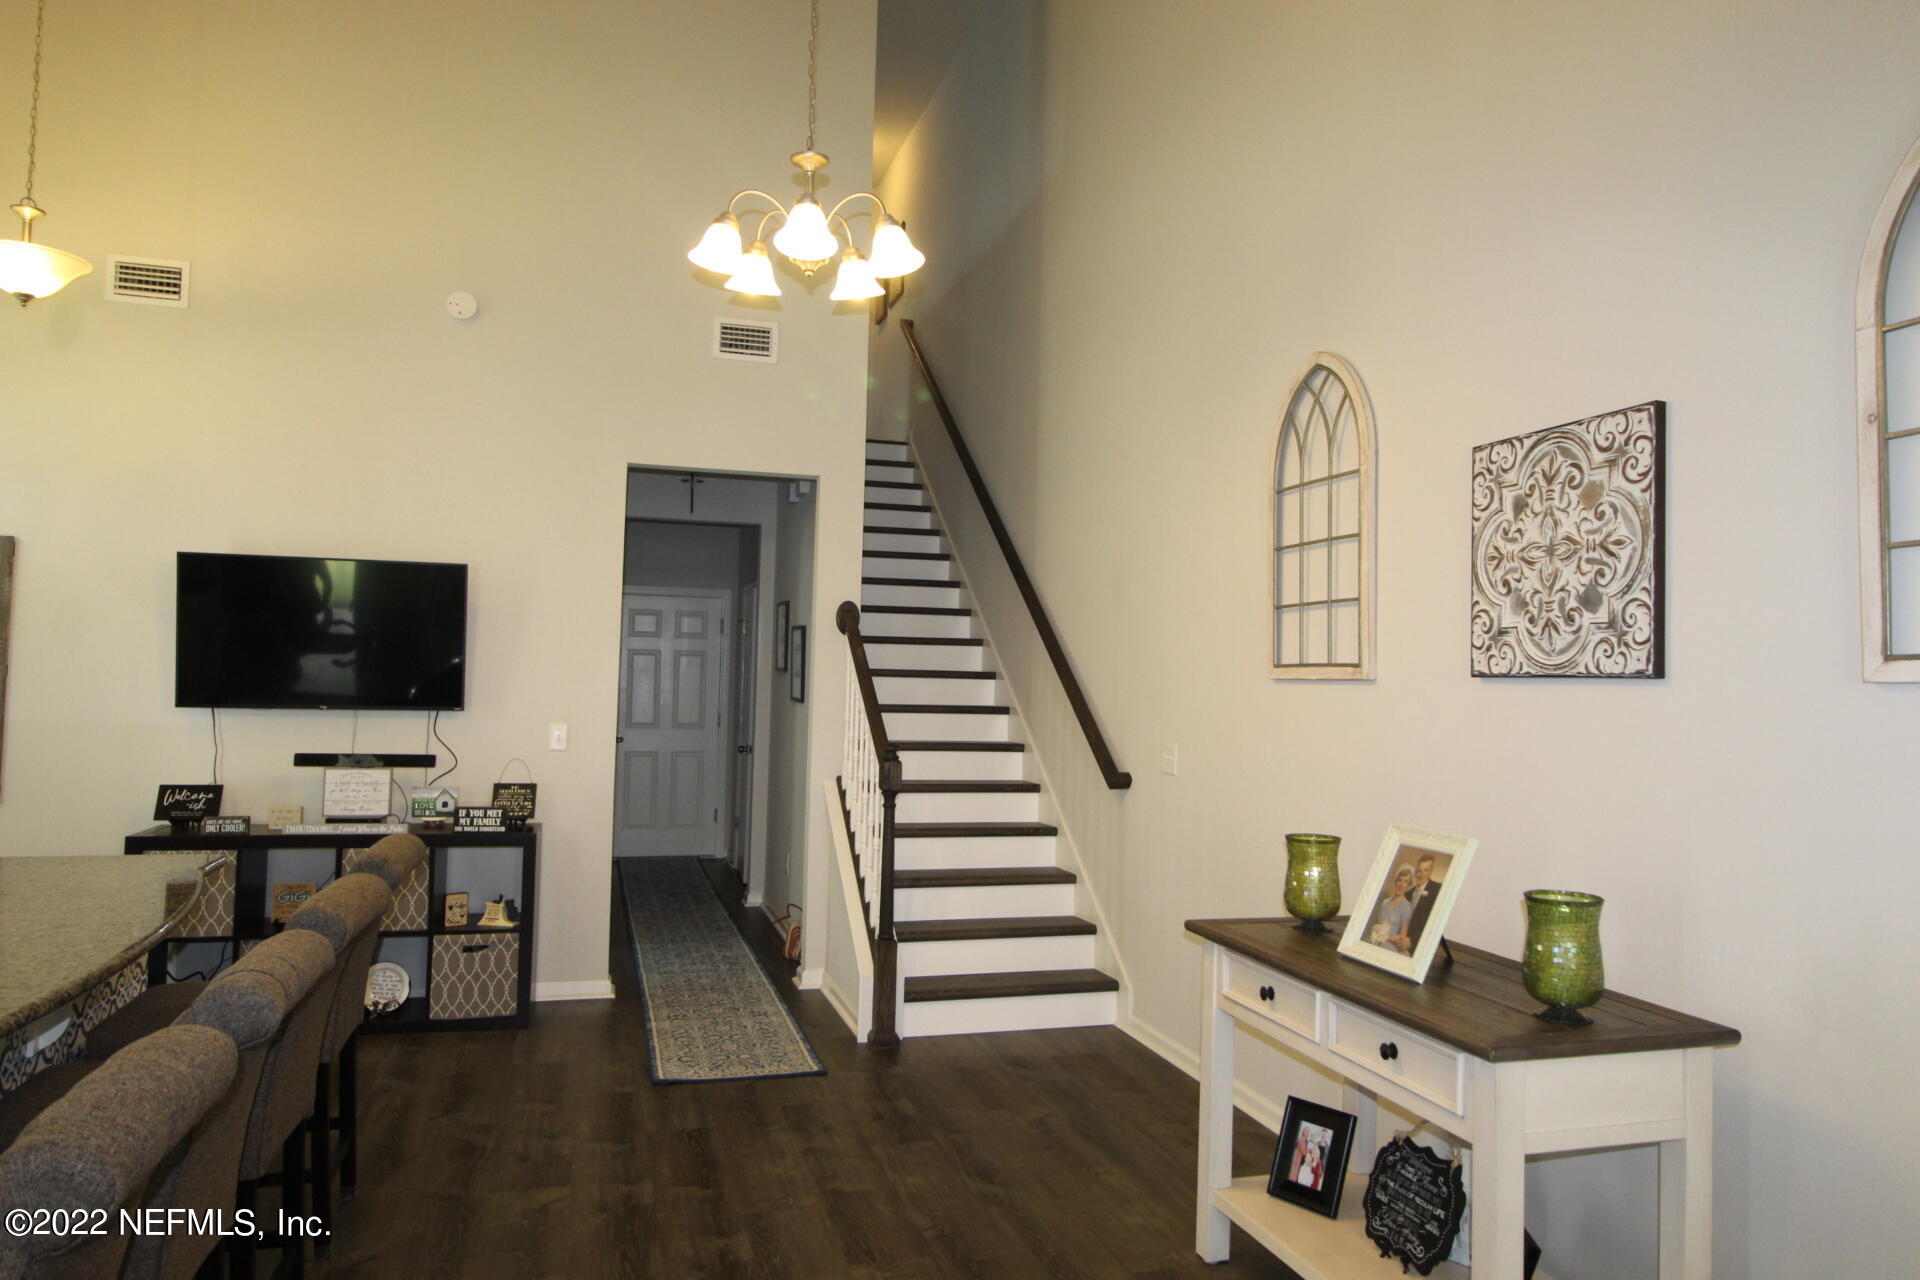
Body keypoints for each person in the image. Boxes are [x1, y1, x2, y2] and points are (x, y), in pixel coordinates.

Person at [1368, 865, 1416, 954]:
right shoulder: (1385, 902)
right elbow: (1376, 924)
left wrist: (1385, 937)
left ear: (1408, 886)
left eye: (1405, 882)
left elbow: (1402, 938)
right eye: (1399, 880)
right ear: (1396, 881)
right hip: (1375, 941)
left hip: (1390, 947)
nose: (1401, 885)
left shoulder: (1406, 907)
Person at [1404, 852, 1446, 949]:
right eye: (1419, 871)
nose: (1421, 875)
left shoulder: (1439, 890)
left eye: (1425, 870)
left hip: (1421, 946)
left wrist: (1413, 941)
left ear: (1431, 871)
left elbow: (1434, 922)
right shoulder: (1408, 893)